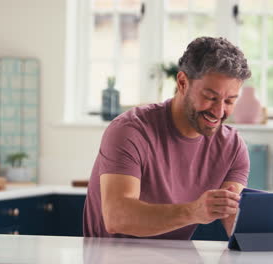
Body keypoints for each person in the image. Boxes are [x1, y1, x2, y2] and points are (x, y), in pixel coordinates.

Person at [83, 36, 252, 240]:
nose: (219, 111)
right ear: (182, 83)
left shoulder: (232, 147)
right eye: (210, 97)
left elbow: (234, 220)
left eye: (229, 101)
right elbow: (117, 217)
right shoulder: (131, 131)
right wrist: (193, 211)